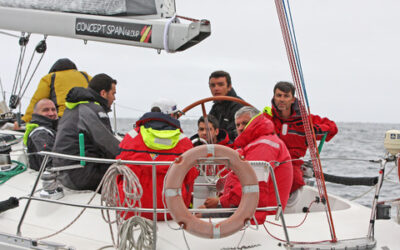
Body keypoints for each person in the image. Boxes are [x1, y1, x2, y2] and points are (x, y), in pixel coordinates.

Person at [200, 106, 293, 224]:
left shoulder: (264, 145)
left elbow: (253, 185)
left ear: (256, 121)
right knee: (200, 212)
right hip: (246, 207)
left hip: (259, 214)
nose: (240, 128)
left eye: (245, 123)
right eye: (237, 125)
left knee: (198, 216)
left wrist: (220, 202)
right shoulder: (255, 144)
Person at [116, 99, 198, 221]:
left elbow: (118, 172)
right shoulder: (184, 142)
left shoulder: (130, 138)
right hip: (172, 213)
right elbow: (191, 177)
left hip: (132, 211)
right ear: (172, 116)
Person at [263, 81, 338, 193]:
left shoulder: (304, 120)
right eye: (279, 95)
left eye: (286, 96)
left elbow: (332, 127)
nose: (282, 99)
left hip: (292, 164)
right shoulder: (266, 118)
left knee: (294, 180)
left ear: (293, 99)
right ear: (274, 97)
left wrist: (311, 130)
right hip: (268, 162)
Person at [52, 73, 120, 191]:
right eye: (113, 93)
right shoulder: (93, 110)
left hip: (63, 171)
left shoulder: (73, 108)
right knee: (129, 172)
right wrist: (134, 157)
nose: (114, 98)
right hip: (80, 175)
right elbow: (109, 146)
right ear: (103, 93)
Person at [21, 58, 91, 123]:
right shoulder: (86, 76)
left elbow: (37, 102)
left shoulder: (50, 77)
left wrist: (25, 120)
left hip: (64, 118)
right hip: (89, 117)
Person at [23, 98, 58, 171]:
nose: (51, 113)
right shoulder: (40, 134)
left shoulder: (53, 128)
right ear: (36, 114)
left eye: (53, 109)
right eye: (46, 110)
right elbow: (51, 162)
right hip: (46, 177)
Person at [208, 70, 243, 141]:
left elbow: (234, 134)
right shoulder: (215, 107)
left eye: (220, 84)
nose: (216, 88)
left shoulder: (239, 107)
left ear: (229, 87)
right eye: (212, 85)